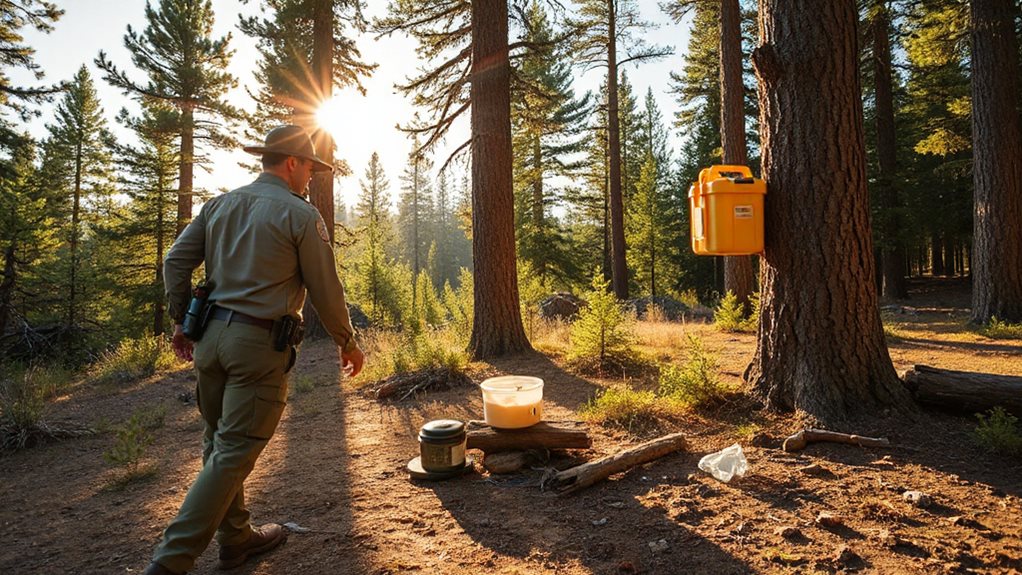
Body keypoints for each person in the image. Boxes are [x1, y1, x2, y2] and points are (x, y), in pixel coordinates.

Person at [144, 125, 365, 575]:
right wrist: (347, 339)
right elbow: (325, 288)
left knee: (217, 442)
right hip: (258, 347)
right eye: (308, 168)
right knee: (229, 453)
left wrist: (182, 320)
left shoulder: (219, 204)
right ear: (291, 163)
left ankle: (236, 539)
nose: (309, 177)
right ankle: (168, 564)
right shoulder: (300, 215)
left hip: (210, 342)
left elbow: (175, 262)